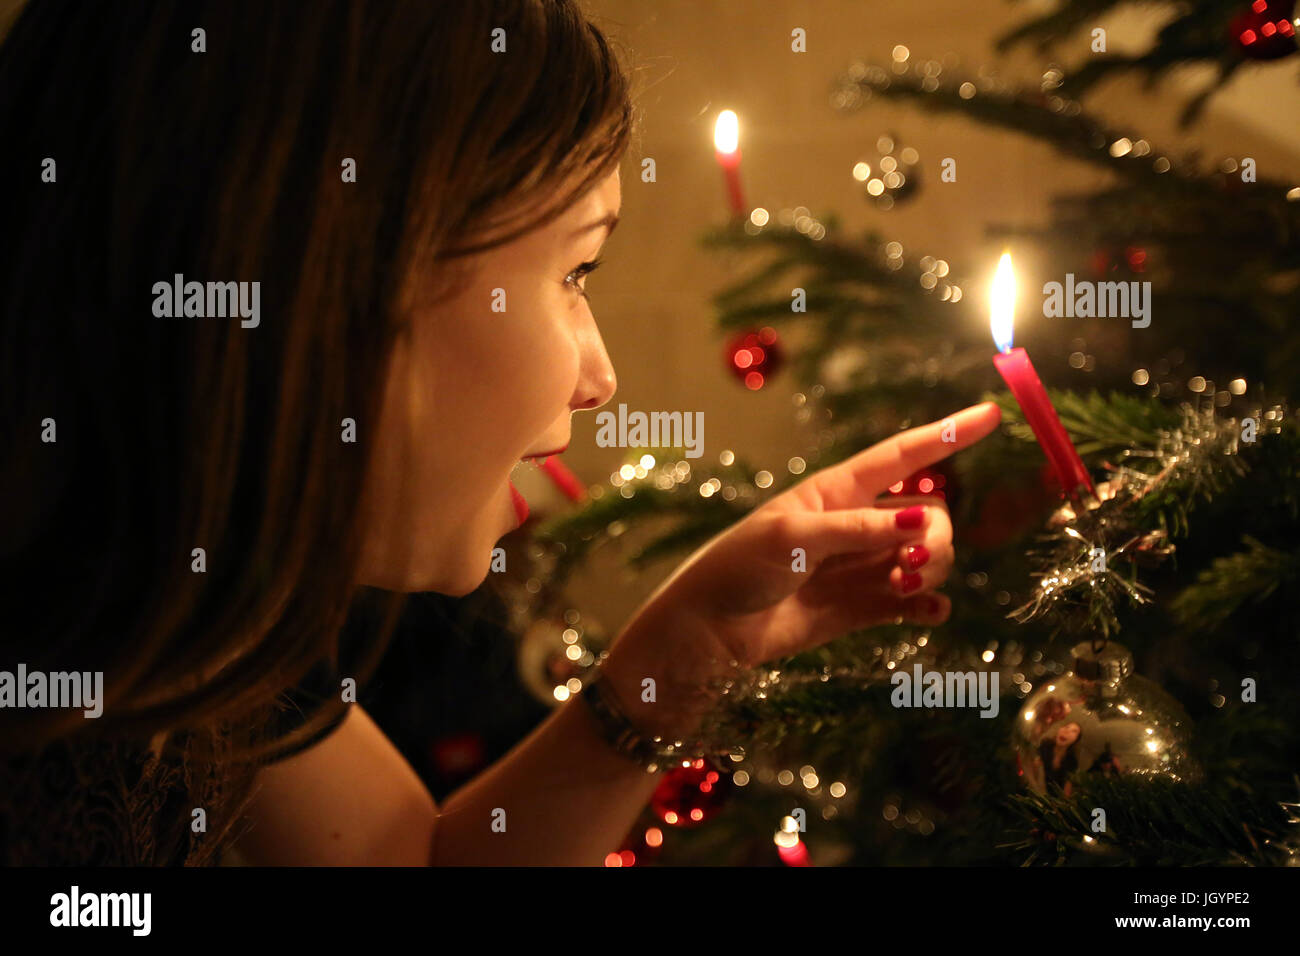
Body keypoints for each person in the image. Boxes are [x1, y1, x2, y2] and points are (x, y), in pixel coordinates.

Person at [0, 0, 1002, 865]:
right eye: (573, 271)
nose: (600, 378)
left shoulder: (203, 624)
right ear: (332, 275)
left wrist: (691, 644)